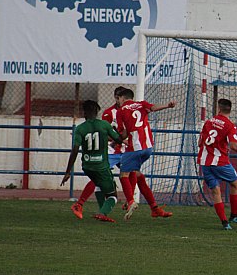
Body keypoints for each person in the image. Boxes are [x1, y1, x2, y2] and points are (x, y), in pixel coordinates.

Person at [70, 86, 135, 219]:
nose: (121, 100)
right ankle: (88, 205)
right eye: (119, 97)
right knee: (98, 178)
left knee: (134, 173)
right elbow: (101, 132)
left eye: (123, 97)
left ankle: (130, 201)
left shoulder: (130, 111)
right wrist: (122, 140)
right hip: (111, 151)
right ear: (116, 98)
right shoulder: (109, 113)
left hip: (125, 150)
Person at [197, 98, 237, 230]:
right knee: (235, 183)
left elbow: (200, 142)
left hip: (205, 161)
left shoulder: (208, 122)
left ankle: (225, 223)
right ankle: (234, 215)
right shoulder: (230, 125)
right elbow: (234, 146)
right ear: (230, 110)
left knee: (216, 191)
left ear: (219, 109)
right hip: (220, 162)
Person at [116, 88, 176, 220]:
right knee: (137, 175)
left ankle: (130, 201)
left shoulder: (121, 111)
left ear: (122, 98)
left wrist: (116, 138)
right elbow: (154, 108)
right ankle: (154, 209)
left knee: (123, 174)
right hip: (148, 148)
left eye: (118, 98)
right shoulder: (141, 104)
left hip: (134, 148)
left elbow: (123, 134)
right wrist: (167, 105)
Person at [61, 100, 123, 223]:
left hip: (87, 166)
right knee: (113, 195)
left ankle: (85, 206)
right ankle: (102, 213)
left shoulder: (80, 129)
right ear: (97, 112)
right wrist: (126, 131)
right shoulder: (104, 125)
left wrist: (68, 172)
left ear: (84, 113)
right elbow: (119, 139)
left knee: (99, 185)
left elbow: (74, 150)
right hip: (101, 166)